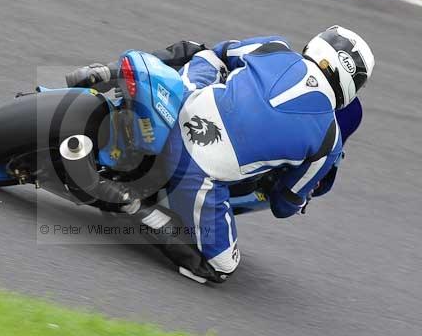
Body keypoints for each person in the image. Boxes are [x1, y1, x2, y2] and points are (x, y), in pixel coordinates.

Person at [66, 26, 374, 283]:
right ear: (352, 84)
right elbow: (283, 204)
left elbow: (220, 52)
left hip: (181, 106)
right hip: (194, 170)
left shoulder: (274, 47)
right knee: (221, 267)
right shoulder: (329, 141)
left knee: (204, 54)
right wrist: (300, 197)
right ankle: (135, 207)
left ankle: (110, 72)